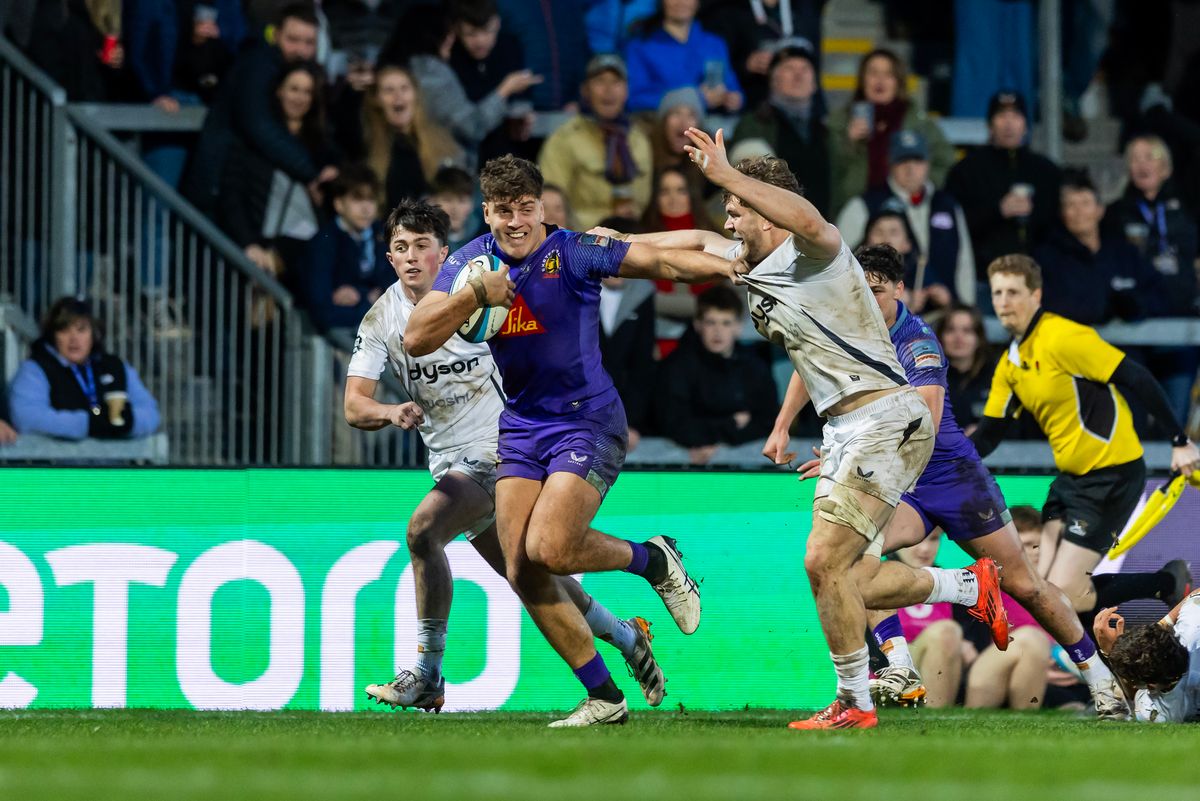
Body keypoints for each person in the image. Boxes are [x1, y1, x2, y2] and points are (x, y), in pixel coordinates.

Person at [404, 155, 740, 727]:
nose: (516, 221)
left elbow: (662, 261)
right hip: (522, 427)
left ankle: (653, 559)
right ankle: (605, 697)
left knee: (553, 548)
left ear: (543, 208)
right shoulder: (467, 267)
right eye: (504, 210)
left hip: (588, 420)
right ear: (487, 211)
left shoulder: (574, 250)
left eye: (526, 208)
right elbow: (416, 337)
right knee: (522, 567)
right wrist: (475, 297)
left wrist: (731, 268)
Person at [618, 130, 939, 729]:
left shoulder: (815, 251)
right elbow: (692, 241)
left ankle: (855, 703)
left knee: (823, 561)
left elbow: (813, 220)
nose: (730, 222)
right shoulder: (755, 265)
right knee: (841, 569)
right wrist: (613, 244)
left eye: (738, 212)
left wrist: (728, 174)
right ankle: (967, 590)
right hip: (846, 428)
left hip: (883, 414)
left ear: (766, 209)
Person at [765, 244, 1128, 719]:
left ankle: (1101, 681)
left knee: (1024, 584)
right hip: (896, 476)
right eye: (860, 289)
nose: (867, 299)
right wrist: (782, 425)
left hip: (950, 475)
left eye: (876, 290)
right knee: (845, 567)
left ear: (900, 289)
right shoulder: (844, 323)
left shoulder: (917, 340)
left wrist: (847, 456)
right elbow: (807, 365)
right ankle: (907, 658)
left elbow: (928, 418)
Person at [345, 199, 665, 711]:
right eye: (401, 248)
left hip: (504, 452)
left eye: (422, 247)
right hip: (452, 465)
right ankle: (629, 638)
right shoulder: (384, 316)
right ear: (388, 258)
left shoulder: (485, 291)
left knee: (423, 531)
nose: (412, 258)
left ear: (444, 254)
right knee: (534, 578)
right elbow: (353, 405)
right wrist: (387, 412)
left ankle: (428, 673)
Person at [972, 255, 1198, 633]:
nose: (1003, 301)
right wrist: (941, 464)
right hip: (1071, 480)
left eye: (1013, 292)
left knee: (1061, 595)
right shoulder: (1011, 362)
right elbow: (990, 435)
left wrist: (1179, 441)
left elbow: (1137, 378)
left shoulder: (1065, 337)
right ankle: (1162, 587)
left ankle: (1166, 584)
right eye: (997, 292)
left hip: (1111, 476)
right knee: (1041, 590)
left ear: (1036, 295)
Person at [183, 3, 323, 219]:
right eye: (292, 39)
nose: (300, 50)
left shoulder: (298, 73)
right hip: (221, 188)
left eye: (309, 43)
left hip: (247, 195)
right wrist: (312, 172)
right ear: (275, 36)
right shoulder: (257, 66)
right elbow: (259, 126)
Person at [1104, 134, 1200, 424]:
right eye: (1135, 158)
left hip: (1180, 325)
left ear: (1166, 167)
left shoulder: (1187, 209)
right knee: (1129, 419)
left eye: (1150, 157)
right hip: (1133, 330)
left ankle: (1175, 471)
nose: (1142, 164)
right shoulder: (1115, 213)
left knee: (1175, 421)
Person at [382, 3, 540, 165]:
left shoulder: (509, 46)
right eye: (470, 34)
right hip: (447, 163)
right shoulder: (435, 71)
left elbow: (520, 103)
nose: (480, 41)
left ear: (498, 23)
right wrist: (504, 90)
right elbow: (473, 126)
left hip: (498, 156)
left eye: (487, 31)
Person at [836, 129, 975, 309]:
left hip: (943, 319)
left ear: (928, 164)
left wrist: (965, 309)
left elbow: (964, 263)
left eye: (917, 160)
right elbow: (839, 262)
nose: (910, 168)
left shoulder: (947, 205)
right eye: (902, 161)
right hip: (880, 317)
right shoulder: (864, 205)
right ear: (890, 164)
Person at [218, 61, 334, 276]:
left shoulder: (323, 144)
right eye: (294, 89)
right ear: (279, 91)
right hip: (265, 244)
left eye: (307, 92)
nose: (300, 98)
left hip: (314, 242)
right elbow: (232, 196)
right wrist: (249, 243)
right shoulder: (253, 142)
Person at [944, 91, 1061, 302]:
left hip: (1039, 281)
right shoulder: (966, 170)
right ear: (990, 124)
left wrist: (1034, 215)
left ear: (1026, 124)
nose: (1008, 124)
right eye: (1001, 116)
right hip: (984, 280)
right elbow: (951, 225)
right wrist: (998, 211)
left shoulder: (1047, 171)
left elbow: (1059, 224)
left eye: (1016, 116)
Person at [654, 285, 777, 462]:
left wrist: (721, 445)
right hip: (682, 467)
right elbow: (673, 424)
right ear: (698, 324)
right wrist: (731, 424)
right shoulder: (678, 365)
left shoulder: (754, 367)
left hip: (743, 468)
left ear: (738, 327)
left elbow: (767, 421)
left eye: (726, 323)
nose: (718, 331)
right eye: (711, 322)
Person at [9, 297, 160, 441]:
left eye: (81, 330)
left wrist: (128, 422)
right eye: (64, 330)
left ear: (93, 334)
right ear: (53, 335)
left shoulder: (114, 366)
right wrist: (88, 423)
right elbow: (27, 417)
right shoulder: (35, 369)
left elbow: (151, 413)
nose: (73, 338)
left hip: (115, 465)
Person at [826, 48, 953, 215]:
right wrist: (848, 143)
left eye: (888, 74)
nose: (880, 80)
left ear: (898, 82)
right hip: (852, 212)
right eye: (873, 73)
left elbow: (945, 163)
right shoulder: (840, 121)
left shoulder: (919, 123)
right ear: (862, 80)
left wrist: (920, 187)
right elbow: (826, 171)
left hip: (906, 214)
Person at [538, 55, 653, 230]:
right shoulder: (564, 139)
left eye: (616, 82)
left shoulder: (639, 140)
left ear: (626, 91)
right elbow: (549, 204)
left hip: (631, 241)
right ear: (585, 90)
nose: (609, 90)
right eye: (600, 81)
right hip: (581, 242)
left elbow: (644, 201)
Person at [1032, 170, 1157, 327]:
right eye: (1070, 205)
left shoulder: (1125, 253)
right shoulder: (1047, 258)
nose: (1079, 212)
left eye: (1085, 203)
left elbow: (1158, 296)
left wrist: (1134, 306)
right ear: (1063, 213)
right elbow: (1045, 305)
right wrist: (1104, 308)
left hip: (1126, 348)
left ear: (1100, 210)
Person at [337, 64, 463, 210]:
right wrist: (351, 92)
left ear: (415, 94)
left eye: (404, 88)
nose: (398, 96)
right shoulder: (365, 142)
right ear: (376, 99)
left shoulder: (440, 141)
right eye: (389, 90)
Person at [732, 41, 830, 217]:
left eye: (805, 69)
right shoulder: (754, 124)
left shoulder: (829, 128)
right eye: (789, 68)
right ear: (773, 79)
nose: (798, 75)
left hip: (824, 226)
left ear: (815, 84)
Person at [299, 164, 395, 335]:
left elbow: (397, 291)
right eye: (357, 199)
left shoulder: (385, 237)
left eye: (371, 199)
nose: (366, 208)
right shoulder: (323, 243)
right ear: (339, 204)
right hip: (337, 344)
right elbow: (322, 311)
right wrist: (370, 301)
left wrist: (360, 295)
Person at [595, 216, 657, 451]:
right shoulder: (578, 291)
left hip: (626, 417)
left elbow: (641, 367)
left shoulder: (643, 295)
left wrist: (630, 423)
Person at [1095, 590, 1200, 723]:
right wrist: (1161, 625)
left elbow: (1134, 695)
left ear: (1150, 686)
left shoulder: (1158, 713)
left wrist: (1110, 652)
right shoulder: (1193, 627)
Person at [623, 0, 743, 114]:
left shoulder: (714, 43)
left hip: (713, 122)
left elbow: (733, 87)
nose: (681, 2)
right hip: (658, 124)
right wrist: (694, 98)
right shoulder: (640, 46)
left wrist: (732, 99)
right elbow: (635, 98)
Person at [890, 532, 965, 708]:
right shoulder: (873, 581)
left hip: (945, 676)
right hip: (886, 681)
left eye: (933, 539)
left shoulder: (954, 585)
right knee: (944, 633)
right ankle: (935, 716)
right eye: (916, 539)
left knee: (947, 634)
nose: (924, 549)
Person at [935, 304, 994, 434]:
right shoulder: (927, 379)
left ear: (979, 338)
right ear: (940, 337)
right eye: (950, 330)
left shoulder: (996, 376)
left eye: (967, 331)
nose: (958, 337)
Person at [428, 166, 485, 252]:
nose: (455, 209)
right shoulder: (423, 240)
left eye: (462, 201)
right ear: (432, 201)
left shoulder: (485, 239)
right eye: (447, 200)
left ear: (472, 204)